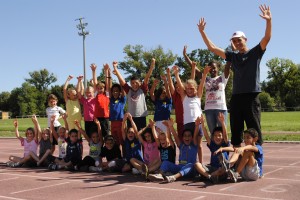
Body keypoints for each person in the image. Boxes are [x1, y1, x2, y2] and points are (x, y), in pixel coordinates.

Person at [197, 4, 272, 146]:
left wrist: (268, 21)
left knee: (253, 130)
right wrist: (202, 32)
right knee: (236, 131)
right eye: (234, 41)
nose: (237, 43)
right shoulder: (233, 56)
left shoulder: (255, 53)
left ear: (245, 39)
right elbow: (212, 48)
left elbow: (267, 38)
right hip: (236, 97)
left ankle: (255, 163)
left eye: (239, 40)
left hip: (251, 96)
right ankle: (237, 164)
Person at [173, 65, 208, 162]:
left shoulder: (198, 96)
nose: (189, 90)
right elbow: (180, 85)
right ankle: (189, 163)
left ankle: (201, 164)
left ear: (196, 89)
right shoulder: (184, 97)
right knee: (189, 145)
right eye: (187, 88)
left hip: (198, 123)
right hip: (188, 124)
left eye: (192, 88)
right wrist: (176, 74)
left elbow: (201, 84)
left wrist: (204, 74)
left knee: (199, 145)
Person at [148, 117, 200, 183]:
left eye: (189, 136)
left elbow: (195, 135)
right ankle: (159, 175)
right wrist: (170, 126)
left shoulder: (194, 145)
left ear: (192, 138)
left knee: (190, 165)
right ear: (183, 138)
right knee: (165, 162)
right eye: (185, 136)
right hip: (179, 168)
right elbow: (175, 136)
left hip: (191, 170)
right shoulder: (181, 146)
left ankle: (173, 177)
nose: (187, 137)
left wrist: (197, 125)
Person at [113, 58, 155, 131]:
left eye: (136, 83)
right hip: (131, 117)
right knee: (132, 133)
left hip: (141, 116)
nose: (134, 84)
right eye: (132, 83)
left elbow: (147, 78)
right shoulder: (128, 90)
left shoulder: (142, 90)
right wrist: (115, 68)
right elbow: (122, 80)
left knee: (142, 134)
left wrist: (152, 66)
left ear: (140, 83)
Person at [194, 113, 230, 184]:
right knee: (197, 164)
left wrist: (222, 122)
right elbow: (206, 136)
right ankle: (210, 176)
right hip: (212, 168)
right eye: (215, 136)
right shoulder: (212, 145)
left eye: (219, 135)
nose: (217, 137)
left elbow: (225, 135)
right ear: (213, 137)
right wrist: (203, 124)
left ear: (222, 137)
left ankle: (210, 176)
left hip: (221, 169)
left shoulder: (225, 144)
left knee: (222, 169)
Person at [201, 61, 230, 134]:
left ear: (218, 68)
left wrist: (230, 54)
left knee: (222, 132)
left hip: (221, 109)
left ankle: (224, 145)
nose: (212, 70)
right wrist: (185, 56)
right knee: (213, 133)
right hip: (209, 110)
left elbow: (227, 66)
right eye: (210, 68)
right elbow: (194, 68)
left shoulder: (222, 78)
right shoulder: (206, 79)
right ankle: (214, 146)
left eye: (214, 68)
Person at [110, 61, 127, 147]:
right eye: (113, 91)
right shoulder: (111, 100)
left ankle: (124, 158)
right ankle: (117, 157)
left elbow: (123, 86)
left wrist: (116, 73)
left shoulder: (122, 100)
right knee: (115, 141)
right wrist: (108, 72)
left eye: (117, 91)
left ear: (120, 92)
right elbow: (109, 87)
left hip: (121, 122)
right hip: (113, 122)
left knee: (122, 141)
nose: (115, 93)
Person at [92, 63, 111, 137]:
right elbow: (95, 83)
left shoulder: (106, 95)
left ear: (104, 88)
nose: (100, 90)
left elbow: (107, 83)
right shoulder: (96, 94)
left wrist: (106, 70)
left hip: (105, 117)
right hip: (97, 117)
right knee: (97, 134)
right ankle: (99, 147)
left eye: (101, 88)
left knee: (106, 134)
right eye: (98, 88)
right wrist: (94, 71)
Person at [78, 72, 98, 138]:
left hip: (94, 121)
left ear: (93, 92)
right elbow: (78, 93)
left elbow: (96, 88)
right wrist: (79, 81)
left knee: (95, 136)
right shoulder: (84, 100)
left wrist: (92, 83)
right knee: (89, 137)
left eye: (89, 92)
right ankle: (92, 148)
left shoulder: (95, 99)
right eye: (86, 93)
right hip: (86, 121)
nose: (88, 94)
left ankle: (97, 148)